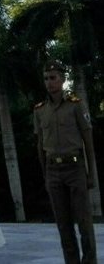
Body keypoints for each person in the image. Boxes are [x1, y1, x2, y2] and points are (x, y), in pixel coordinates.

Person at [34, 61, 97, 264]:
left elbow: (88, 142)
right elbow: (40, 144)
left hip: (75, 167)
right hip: (53, 170)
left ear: (62, 79)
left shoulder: (76, 105)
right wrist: (45, 176)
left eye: (53, 78)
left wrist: (91, 174)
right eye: (46, 78)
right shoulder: (40, 110)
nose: (49, 82)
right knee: (63, 225)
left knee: (84, 223)